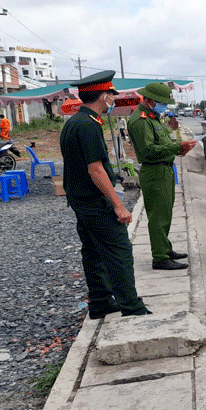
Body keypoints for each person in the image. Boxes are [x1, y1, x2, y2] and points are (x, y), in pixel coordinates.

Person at [59, 70, 150, 318]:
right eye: (111, 94)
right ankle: (132, 307)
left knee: (92, 252)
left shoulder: (74, 122)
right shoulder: (88, 125)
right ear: (103, 96)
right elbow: (95, 169)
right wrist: (118, 206)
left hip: (80, 201)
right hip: (94, 202)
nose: (113, 99)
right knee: (119, 252)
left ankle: (100, 302)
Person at [127, 82, 197, 270]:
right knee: (158, 215)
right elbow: (148, 150)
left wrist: (179, 150)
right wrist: (176, 147)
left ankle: (165, 248)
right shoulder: (141, 120)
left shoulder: (153, 117)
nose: (164, 106)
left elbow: (162, 142)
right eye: (161, 102)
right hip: (155, 170)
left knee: (165, 213)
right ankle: (159, 257)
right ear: (148, 100)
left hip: (164, 168)